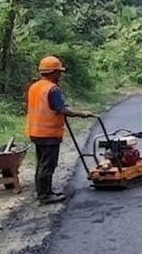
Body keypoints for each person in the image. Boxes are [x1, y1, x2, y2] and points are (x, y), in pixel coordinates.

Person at [26, 56, 94, 205]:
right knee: (48, 165)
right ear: (53, 72)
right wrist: (81, 114)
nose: (60, 75)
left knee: (41, 163)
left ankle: (44, 191)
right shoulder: (52, 89)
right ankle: (44, 196)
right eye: (59, 72)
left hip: (35, 131)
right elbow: (60, 109)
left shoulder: (34, 87)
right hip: (48, 133)